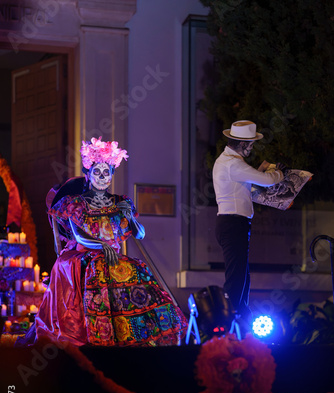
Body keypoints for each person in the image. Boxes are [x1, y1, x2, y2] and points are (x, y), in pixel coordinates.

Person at [31, 136, 187, 346]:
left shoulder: (120, 202)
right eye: (97, 172)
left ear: (112, 174)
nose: (102, 177)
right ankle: (101, 333)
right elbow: (79, 236)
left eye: (107, 172)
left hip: (111, 254)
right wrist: (102, 246)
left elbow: (140, 234)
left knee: (136, 268)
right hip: (84, 253)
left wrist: (130, 216)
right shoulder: (76, 203)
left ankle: (137, 334)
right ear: (88, 173)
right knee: (100, 268)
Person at [212, 120, 284, 334]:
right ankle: (229, 327)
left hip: (233, 224)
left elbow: (244, 184)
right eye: (250, 144)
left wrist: (258, 173)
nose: (251, 148)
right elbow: (267, 180)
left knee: (241, 276)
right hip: (233, 224)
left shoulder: (229, 161)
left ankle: (241, 320)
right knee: (236, 278)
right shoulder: (233, 164)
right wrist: (281, 174)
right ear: (241, 143)